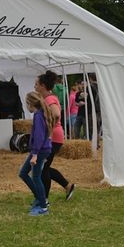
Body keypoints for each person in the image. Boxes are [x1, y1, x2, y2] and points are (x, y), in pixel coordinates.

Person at [35, 70, 76, 202]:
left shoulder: (49, 99)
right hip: (54, 137)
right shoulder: (47, 98)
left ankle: (44, 199)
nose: (35, 86)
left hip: (53, 138)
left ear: (42, 85)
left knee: (43, 169)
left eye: (36, 84)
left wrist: (49, 132)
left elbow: (57, 114)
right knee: (44, 168)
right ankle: (67, 186)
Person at [19, 91, 54, 216]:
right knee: (23, 173)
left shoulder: (39, 116)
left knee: (36, 177)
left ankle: (43, 207)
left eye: (26, 103)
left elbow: (39, 137)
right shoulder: (39, 114)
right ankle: (40, 198)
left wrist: (34, 154)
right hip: (41, 149)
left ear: (30, 103)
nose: (26, 106)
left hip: (40, 150)